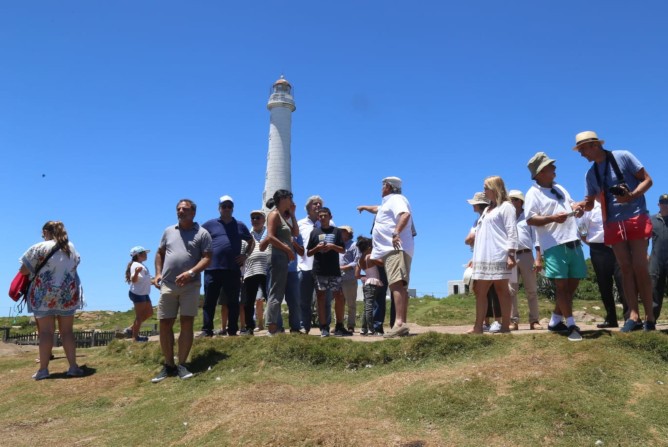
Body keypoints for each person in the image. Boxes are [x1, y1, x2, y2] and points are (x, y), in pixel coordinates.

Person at [573, 131, 655, 332]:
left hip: (635, 215)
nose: (581, 154)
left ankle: (650, 317)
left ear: (593, 145)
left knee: (640, 267)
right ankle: (633, 315)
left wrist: (632, 195)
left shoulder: (623, 156)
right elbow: (591, 203)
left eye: (582, 149)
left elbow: (647, 180)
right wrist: (581, 206)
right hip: (612, 222)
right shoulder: (591, 174)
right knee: (625, 268)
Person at [525, 152, 587, 339]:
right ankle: (571, 324)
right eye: (550, 167)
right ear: (540, 172)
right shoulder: (532, 193)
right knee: (561, 286)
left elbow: (570, 204)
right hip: (553, 244)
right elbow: (530, 219)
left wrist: (577, 207)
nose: (554, 169)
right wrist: (553, 218)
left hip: (573, 241)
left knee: (573, 283)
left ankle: (554, 320)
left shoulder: (560, 188)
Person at [152, 199, 212, 382]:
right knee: (164, 323)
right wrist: (157, 274)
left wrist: (191, 272)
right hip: (168, 285)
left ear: (193, 212)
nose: (180, 212)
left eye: (184, 209)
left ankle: (182, 364)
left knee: (187, 323)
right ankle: (169, 365)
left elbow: (208, 257)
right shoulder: (168, 231)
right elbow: (160, 253)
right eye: (178, 209)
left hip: (190, 286)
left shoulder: (202, 233)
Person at [20, 221, 84, 380]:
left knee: (46, 332)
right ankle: (73, 367)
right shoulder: (71, 247)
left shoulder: (40, 247)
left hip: (44, 294)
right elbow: (76, 264)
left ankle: (43, 370)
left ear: (45, 232)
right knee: (67, 331)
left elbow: (23, 269)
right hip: (67, 294)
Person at [357, 176, 415, 338]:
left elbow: (405, 214)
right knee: (399, 285)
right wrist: (365, 207)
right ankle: (400, 323)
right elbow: (378, 209)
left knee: (396, 284)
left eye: (383, 185)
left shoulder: (397, 199)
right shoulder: (388, 202)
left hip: (395, 248)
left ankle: (399, 324)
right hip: (392, 249)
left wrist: (395, 233)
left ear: (388, 186)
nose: (381, 188)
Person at [467, 177, 517, 334]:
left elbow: (511, 231)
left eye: (486, 188)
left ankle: (505, 326)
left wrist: (511, 254)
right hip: (483, 255)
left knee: (502, 289)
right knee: (480, 290)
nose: (484, 191)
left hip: (498, 254)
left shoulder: (506, 207)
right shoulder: (487, 210)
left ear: (495, 189)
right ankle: (478, 327)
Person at [199, 195, 254, 337]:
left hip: (232, 269)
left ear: (233, 208)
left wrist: (245, 256)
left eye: (229, 206)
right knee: (209, 301)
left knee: (233, 302)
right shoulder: (209, 224)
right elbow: (197, 238)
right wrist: (202, 256)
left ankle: (232, 330)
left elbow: (251, 241)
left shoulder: (240, 225)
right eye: (224, 206)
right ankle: (207, 330)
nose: (227, 208)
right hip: (212, 268)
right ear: (219, 208)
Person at [577, 200, 627, 327]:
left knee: (623, 282)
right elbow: (582, 229)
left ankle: (630, 318)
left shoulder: (616, 203)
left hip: (619, 246)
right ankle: (611, 319)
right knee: (604, 285)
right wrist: (593, 245)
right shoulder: (590, 208)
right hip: (599, 247)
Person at [307, 207, 351, 337]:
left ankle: (339, 326)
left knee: (339, 296)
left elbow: (343, 250)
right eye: (320, 216)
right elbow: (309, 252)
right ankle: (323, 326)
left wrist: (332, 246)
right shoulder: (314, 232)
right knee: (321, 297)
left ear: (330, 216)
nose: (322, 218)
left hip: (334, 269)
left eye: (325, 215)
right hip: (320, 269)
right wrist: (317, 248)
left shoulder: (337, 231)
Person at [263, 190, 299, 335]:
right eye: (290, 198)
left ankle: (274, 328)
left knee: (278, 292)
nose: (291, 200)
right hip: (276, 257)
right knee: (275, 293)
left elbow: (295, 233)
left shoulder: (284, 217)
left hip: (282, 258)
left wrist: (293, 214)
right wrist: (288, 249)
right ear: (282, 198)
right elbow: (270, 237)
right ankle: (272, 329)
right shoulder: (273, 214)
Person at [465, 191, 502, 332]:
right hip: (479, 256)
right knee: (482, 291)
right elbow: (468, 239)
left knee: (494, 290)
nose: (472, 206)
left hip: (491, 256)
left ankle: (497, 321)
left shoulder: (489, 218)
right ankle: (486, 322)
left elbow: (470, 239)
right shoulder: (477, 221)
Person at [297, 195, 334, 333]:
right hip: (304, 266)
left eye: (319, 203)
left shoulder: (330, 223)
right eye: (314, 204)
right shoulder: (300, 224)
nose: (318, 206)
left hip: (324, 267)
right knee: (303, 300)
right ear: (308, 208)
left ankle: (325, 327)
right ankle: (303, 327)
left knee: (325, 300)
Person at [507, 190, 543, 330]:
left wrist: (538, 258)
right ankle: (513, 321)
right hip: (511, 255)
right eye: (510, 200)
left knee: (531, 289)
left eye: (515, 199)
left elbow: (537, 239)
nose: (512, 202)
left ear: (520, 201)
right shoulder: (506, 218)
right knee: (511, 290)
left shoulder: (528, 217)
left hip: (526, 254)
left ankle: (534, 320)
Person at [242, 210, 268, 335]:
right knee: (248, 301)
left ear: (264, 219)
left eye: (258, 217)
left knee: (270, 298)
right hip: (250, 271)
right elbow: (242, 254)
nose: (255, 220)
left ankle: (273, 325)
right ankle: (249, 327)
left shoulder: (269, 233)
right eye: (252, 218)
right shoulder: (247, 235)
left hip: (267, 270)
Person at [356, 236, 384, 336]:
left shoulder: (360, 260)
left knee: (366, 307)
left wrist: (366, 276)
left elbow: (357, 275)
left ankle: (363, 328)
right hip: (373, 283)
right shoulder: (370, 256)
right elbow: (381, 263)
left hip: (367, 283)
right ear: (368, 247)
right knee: (369, 307)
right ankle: (371, 329)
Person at [125, 246, 154, 342]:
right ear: (138, 255)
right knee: (140, 316)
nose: (146, 255)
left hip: (143, 293)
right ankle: (135, 338)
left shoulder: (141, 265)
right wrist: (136, 272)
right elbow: (134, 280)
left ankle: (130, 329)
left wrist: (155, 283)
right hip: (138, 294)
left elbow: (145, 280)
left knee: (149, 313)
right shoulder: (136, 266)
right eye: (144, 253)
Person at [650, 193, 668, 320]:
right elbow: (644, 239)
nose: (666, 205)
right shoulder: (651, 220)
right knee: (655, 289)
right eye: (663, 203)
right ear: (658, 204)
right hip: (656, 259)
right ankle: (651, 320)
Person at [339, 226, 359, 333]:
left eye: (344, 231)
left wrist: (343, 267)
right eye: (340, 231)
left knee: (351, 303)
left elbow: (357, 261)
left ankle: (351, 325)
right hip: (338, 278)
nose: (341, 233)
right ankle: (339, 324)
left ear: (349, 233)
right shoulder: (338, 245)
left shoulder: (354, 245)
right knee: (339, 302)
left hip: (349, 278)